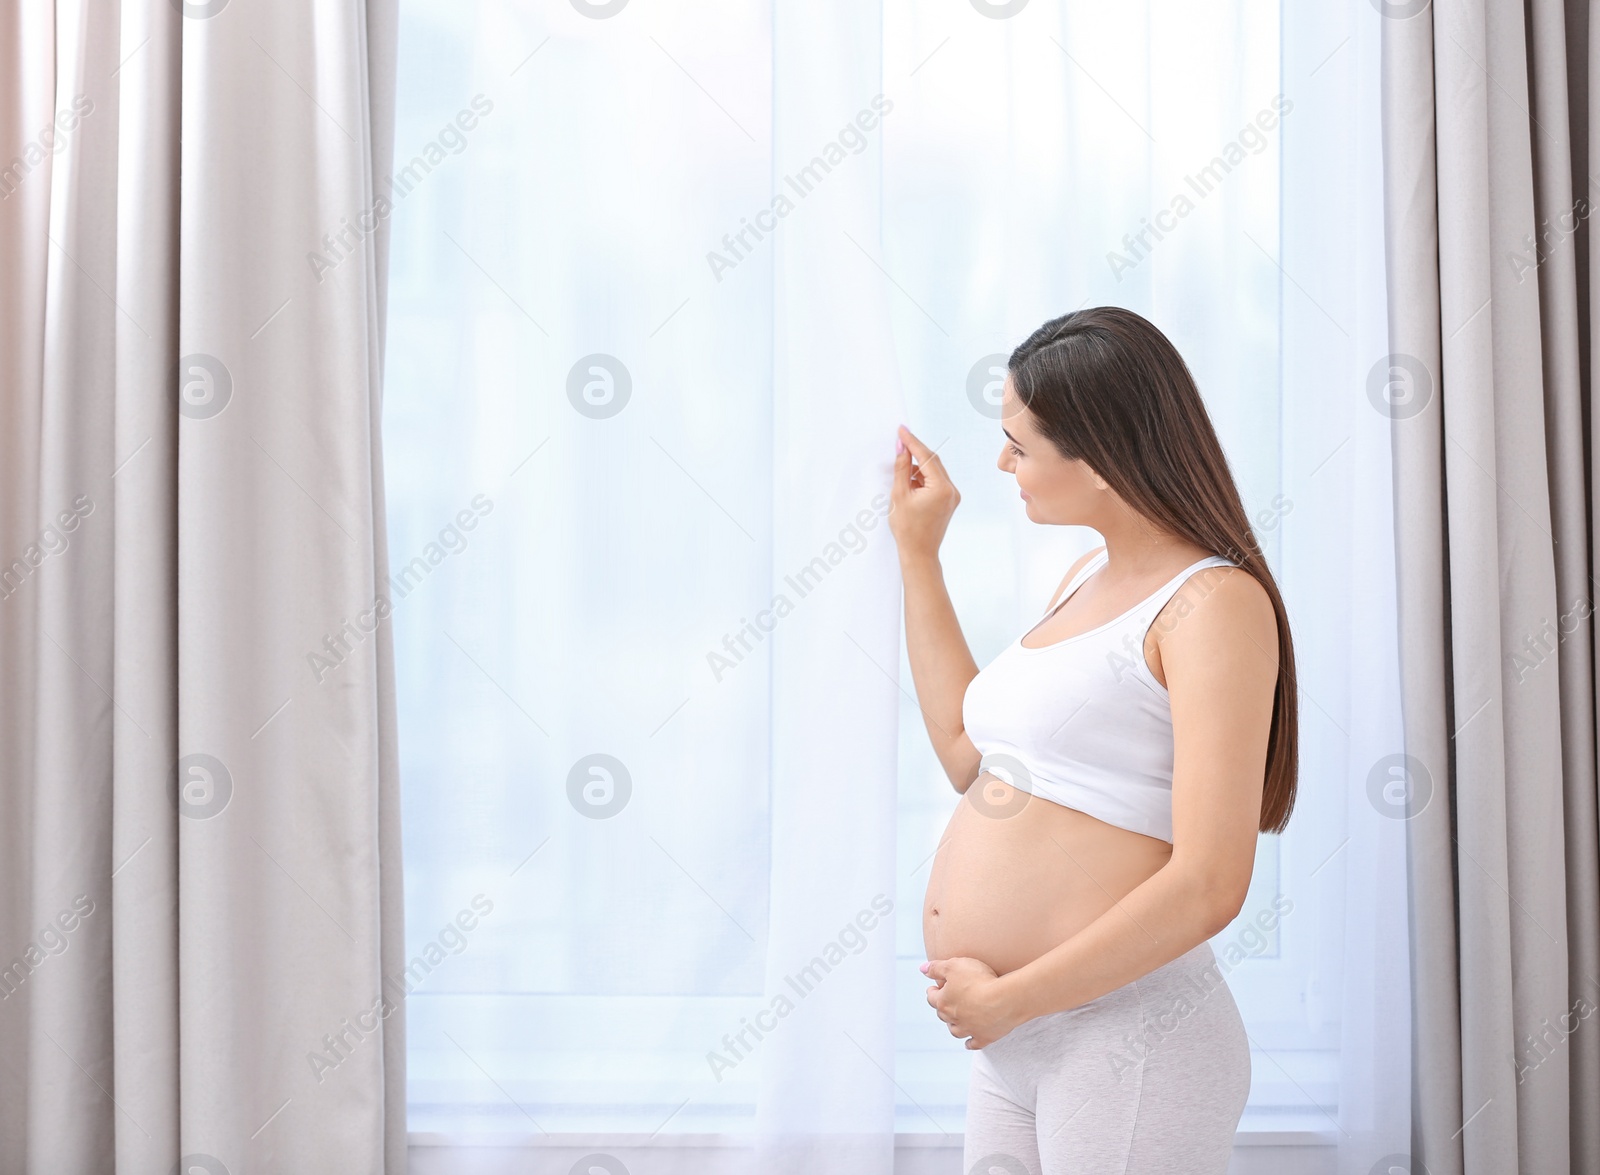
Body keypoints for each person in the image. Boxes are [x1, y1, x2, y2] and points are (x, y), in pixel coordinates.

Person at [890, 306, 1297, 1175]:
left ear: (1102, 457)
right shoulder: (1086, 578)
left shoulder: (1213, 604)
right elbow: (969, 754)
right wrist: (918, 553)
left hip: (1127, 1033)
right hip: (1018, 1037)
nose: (1003, 463)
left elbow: (1212, 882)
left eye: (1021, 445)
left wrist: (1009, 997)